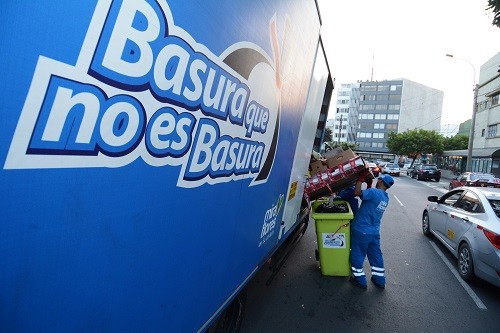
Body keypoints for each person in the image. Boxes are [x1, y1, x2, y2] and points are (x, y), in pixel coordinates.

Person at [349, 173, 394, 290]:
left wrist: (359, 180)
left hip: (362, 230)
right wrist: (368, 184)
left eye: (378, 179)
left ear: (380, 181)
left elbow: (357, 193)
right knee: (375, 255)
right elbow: (368, 198)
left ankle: (360, 280)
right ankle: (379, 279)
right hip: (374, 232)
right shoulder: (385, 197)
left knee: (357, 254)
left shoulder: (374, 193)